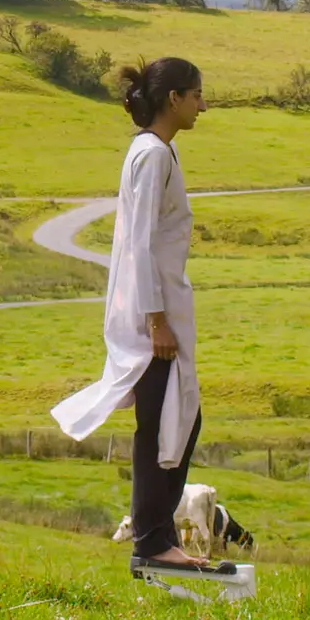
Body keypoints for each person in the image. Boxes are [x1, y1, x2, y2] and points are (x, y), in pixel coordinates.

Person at [50, 57, 214, 569]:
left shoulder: (158, 152)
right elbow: (140, 245)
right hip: (153, 316)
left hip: (161, 308)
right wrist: (155, 320)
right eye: (196, 96)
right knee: (163, 424)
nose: (202, 106)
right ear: (173, 100)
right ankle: (153, 540)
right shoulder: (152, 157)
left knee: (173, 419)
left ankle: (157, 537)